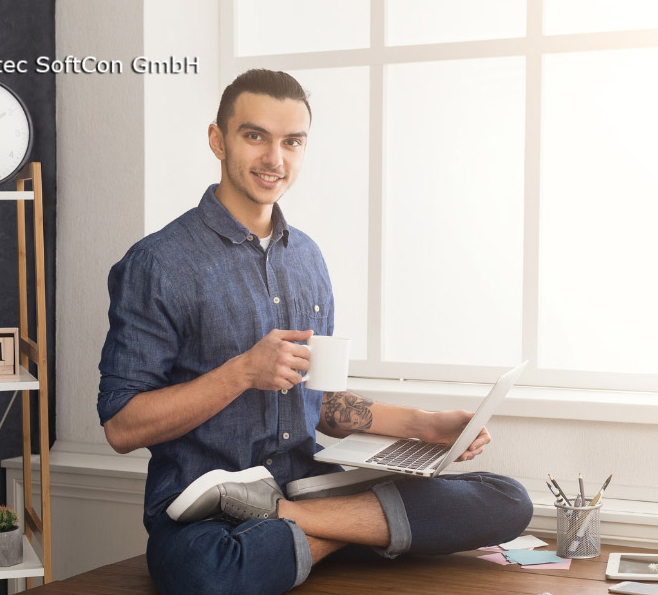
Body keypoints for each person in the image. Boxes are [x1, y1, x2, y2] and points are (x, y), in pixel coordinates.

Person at [97, 68, 533, 595]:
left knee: (508, 499)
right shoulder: (158, 264)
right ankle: (354, 533)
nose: (274, 159)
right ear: (218, 140)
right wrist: (240, 373)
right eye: (255, 135)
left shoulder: (306, 257)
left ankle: (296, 525)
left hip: (307, 487)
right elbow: (122, 426)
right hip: (208, 511)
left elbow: (316, 399)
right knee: (207, 574)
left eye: (292, 141)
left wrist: (425, 424)